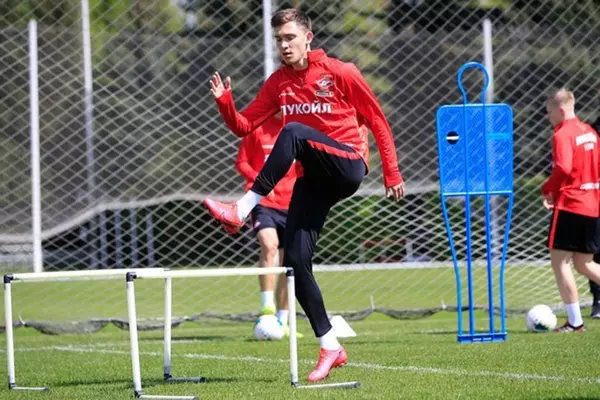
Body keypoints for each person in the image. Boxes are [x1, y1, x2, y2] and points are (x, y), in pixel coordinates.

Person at [203, 8, 405, 382]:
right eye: (278, 39)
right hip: (313, 177)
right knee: (295, 263)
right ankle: (331, 347)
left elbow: (377, 119)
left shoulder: (341, 71)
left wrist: (391, 171)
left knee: (293, 131)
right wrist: (225, 102)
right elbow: (244, 126)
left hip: (348, 164)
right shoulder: (278, 82)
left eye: (290, 37)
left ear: (308, 37)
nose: (284, 45)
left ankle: (241, 209)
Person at [235, 113, 302, 337]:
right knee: (269, 245)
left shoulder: (298, 130)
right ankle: (267, 307)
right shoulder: (257, 129)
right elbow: (241, 162)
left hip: (292, 203)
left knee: (289, 260)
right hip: (263, 202)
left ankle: (283, 320)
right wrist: (262, 181)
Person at [542, 88, 600, 332]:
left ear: (561, 109)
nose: (549, 117)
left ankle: (575, 322)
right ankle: (575, 321)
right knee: (584, 264)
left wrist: (548, 189)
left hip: (571, 204)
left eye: (549, 112)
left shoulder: (562, 134)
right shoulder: (590, 132)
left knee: (560, 262)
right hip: (593, 204)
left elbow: (564, 168)